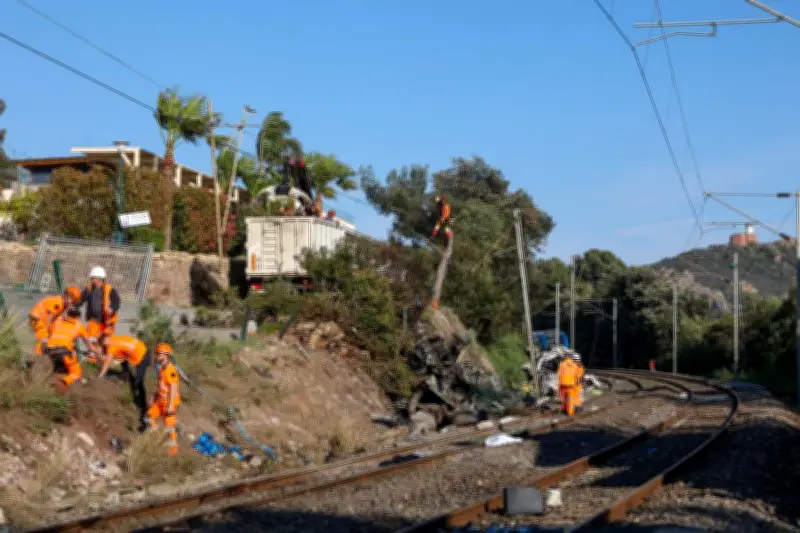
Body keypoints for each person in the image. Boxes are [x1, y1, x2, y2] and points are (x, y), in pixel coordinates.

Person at [95, 335, 151, 432]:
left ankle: (143, 406)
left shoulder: (112, 345)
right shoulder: (114, 339)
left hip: (142, 355)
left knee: (138, 383)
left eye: (105, 345)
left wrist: (100, 376)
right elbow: (114, 355)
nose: (105, 346)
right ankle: (124, 376)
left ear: (106, 341)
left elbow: (108, 362)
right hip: (138, 349)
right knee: (122, 360)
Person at [78, 267, 121, 361]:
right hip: (94, 320)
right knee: (92, 340)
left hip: (106, 322)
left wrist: (112, 308)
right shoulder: (88, 289)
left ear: (100, 279)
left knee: (105, 343)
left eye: (93, 278)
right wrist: (75, 304)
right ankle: (92, 361)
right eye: (92, 278)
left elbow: (116, 302)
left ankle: (105, 359)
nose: (92, 280)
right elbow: (81, 300)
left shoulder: (110, 290)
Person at [145, 344, 181, 456]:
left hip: (169, 402)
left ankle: (173, 451)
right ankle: (156, 437)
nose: (157, 356)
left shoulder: (171, 370)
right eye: (157, 354)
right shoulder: (161, 369)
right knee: (149, 417)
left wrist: (170, 406)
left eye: (159, 354)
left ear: (166, 355)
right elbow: (161, 385)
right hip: (160, 400)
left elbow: (173, 388)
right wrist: (155, 396)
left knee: (169, 426)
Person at [44, 305, 90, 392]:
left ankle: (50, 384)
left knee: (59, 369)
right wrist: (96, 354)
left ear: (67, 314)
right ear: (78, 317)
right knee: (76, 373)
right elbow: (90, 346)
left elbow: (53, 332)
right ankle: (62, 383)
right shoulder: (79, 325)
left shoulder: (58, 321)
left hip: (49, 350)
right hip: (63, 351)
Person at [28, 287, 82, 360]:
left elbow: (55, 320)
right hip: (37, 318)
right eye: (71, 298)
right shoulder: (58, 302)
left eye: (73, 300)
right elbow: (50, 318)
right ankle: (34, 359)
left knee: (48, 338)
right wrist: (48, 332)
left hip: (40, 319)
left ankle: (38, 356)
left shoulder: (63, 304)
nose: (71, 302)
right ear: (66, 295)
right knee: (44, 338)